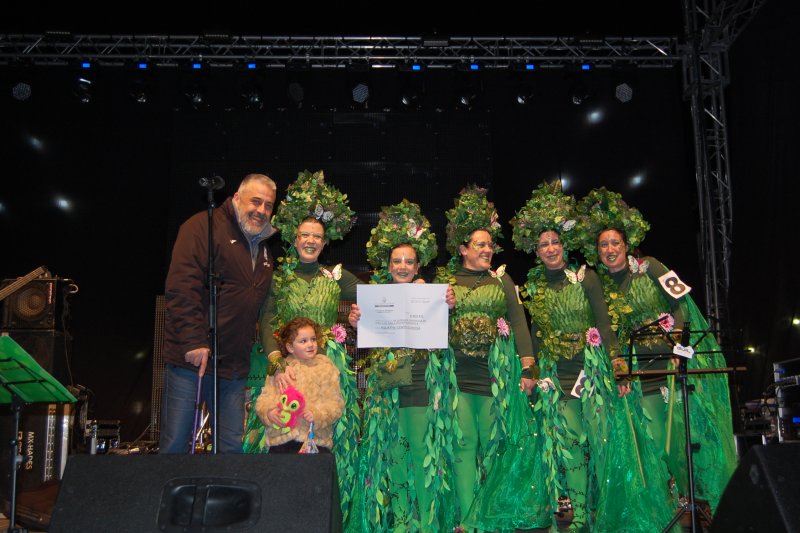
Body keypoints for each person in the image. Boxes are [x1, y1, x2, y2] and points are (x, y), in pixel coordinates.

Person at [512, 181, 674, 532]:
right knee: (570, 445)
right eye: (543, 244)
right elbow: (536, 331)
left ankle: (607, 513)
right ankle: (581, 516)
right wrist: (534, 371)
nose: (551, 248)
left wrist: (618, 367)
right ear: (535, 250)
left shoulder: (587, 278)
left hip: (591, 373)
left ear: (564, 244)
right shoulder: (534, 285)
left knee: (601, 444)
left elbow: (604, 322)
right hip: (558, 375)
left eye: (555, 242)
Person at [577, 187, 737, 514]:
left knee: (682, 439)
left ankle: (702, 500)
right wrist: (619, 368)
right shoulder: (599, 285)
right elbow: (607, 331)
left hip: (671, 365)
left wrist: (677, 341)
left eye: (615, 243)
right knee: (654, 442)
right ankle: (667, 505)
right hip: (641, 374)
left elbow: (681, 304)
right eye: (603, 245)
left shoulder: (650, 266)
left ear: (627, 245)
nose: (610, 249)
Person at [241, 170, 361, 521]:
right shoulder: (277, 277)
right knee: (279, 439)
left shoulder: (336, 277)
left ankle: (326, 516)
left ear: (325, 243)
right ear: (294, 239)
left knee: (326, 443)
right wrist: (277, 361)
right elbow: (266, 319)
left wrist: (411, 289)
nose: (311, 241)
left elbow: (377, 296)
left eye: (317, 237)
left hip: (326, 373)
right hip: (286, 367)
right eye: (305, 235)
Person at [432, 185, 541, 529]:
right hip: (459, 379)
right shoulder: (445, 280)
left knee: (495, 446)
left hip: (495, 379)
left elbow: (519, 322)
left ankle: (491, 516)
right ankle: (468, 518)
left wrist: (528, 366)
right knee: (463, 446)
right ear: (463, 249)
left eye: (490, 244)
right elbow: (429, 328)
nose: (487, 249)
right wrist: (444, 307)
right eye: (480, 244)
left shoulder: (502, 280)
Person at [345, 199, 457, 532]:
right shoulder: (375, 297)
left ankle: (426, 521)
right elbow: (367, 342)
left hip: (421, 380)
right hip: (387, 382)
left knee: (421, 449)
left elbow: (445, 336)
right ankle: (401, 520)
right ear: (388, 264)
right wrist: (356, 324)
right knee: (394, 452)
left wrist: (449, 307)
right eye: (397, 261)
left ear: (418, 265)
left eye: (409, 261)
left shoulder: (433, 294)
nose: (403, 266)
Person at [160, 173, 277, 454]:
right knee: (176, 445)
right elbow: (181, 286)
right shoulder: (202, 227)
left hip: (233, 367)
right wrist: (193, 340)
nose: (261, 210)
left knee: (230, 450)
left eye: (268, 205)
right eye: (255, 201)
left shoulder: (264, 252)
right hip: (192, 362)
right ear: (236, 198)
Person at [256, 317, 344, 453]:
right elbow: (264, 400)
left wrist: (317, 415)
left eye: (313, 339)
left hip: (315, 440)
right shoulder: (280, 370)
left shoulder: (326, 368)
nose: (310, 344)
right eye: (303, 341)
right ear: (290, 347)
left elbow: (336, 405)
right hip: (281, 440)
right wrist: (269, 413)